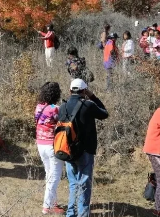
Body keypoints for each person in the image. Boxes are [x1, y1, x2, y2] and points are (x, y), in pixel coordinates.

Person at [60, 79, 108, 217]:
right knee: (84, 184)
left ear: (70, 91)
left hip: (68, 151)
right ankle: (82, 214)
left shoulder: (63, 106)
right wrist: (92, 96)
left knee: (73, 184)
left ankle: (71, 213)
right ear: (84, 91)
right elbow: (104, 113)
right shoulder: (88, 105)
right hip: (85, 151)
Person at [35, 82, 65, 215]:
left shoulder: (39, 107)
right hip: (52, 145)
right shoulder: (55, 108)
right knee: (55, 176)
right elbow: (62, 122)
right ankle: (47, 206)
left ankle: (53, 203)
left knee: (49, 174)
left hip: (40, 144)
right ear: (56, 94)